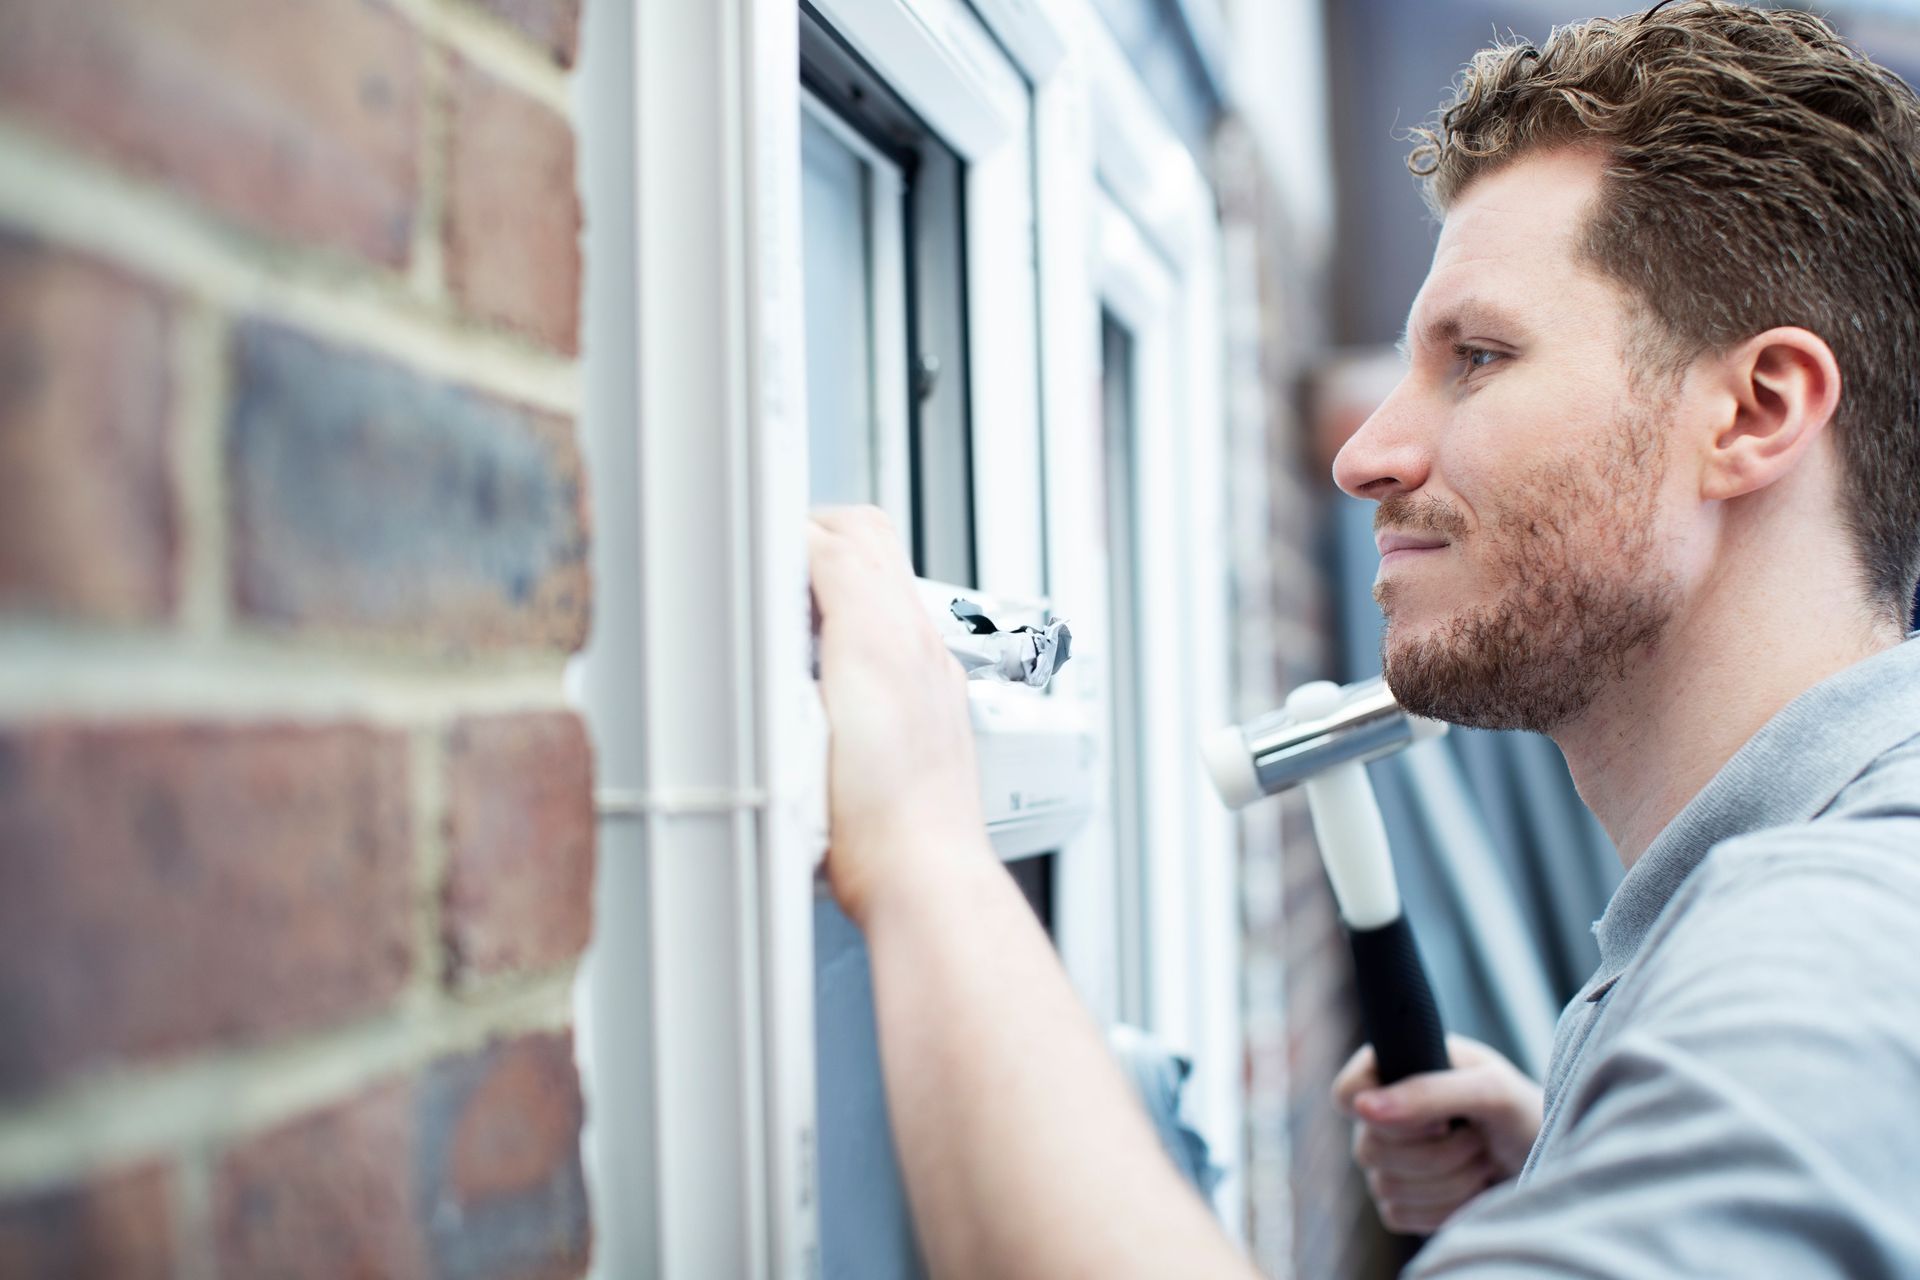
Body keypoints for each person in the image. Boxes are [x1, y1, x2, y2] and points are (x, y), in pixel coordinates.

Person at [806, 2, 1920, 1275]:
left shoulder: (1829, 960)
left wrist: (925, 858)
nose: (1362, 456)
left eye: (1480, 356)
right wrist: (1571, 1179)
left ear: (1755, 411)